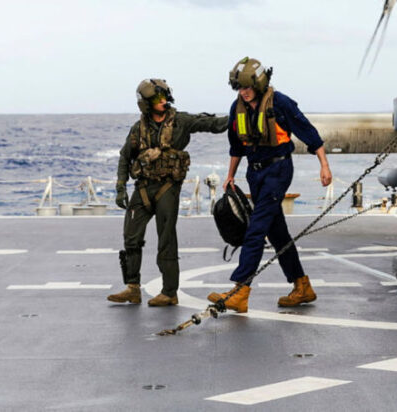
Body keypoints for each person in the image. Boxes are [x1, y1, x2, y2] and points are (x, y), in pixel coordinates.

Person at [208, 57, 332, 313]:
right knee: (277, 233)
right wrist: (231, 175)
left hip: (278, 170)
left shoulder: (281, 103)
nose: (243, 92)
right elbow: (236, 146)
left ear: (260, 83)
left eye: (247, 87)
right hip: (255, 173)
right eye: (239, 88)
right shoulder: (237, 107)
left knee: (255, 230)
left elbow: (309, 133)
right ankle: (302, 286)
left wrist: (324, 165)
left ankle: (240, 291)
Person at [107, 79, 228, 307]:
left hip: (167, 188)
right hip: (142, 188)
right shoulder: (138, 128)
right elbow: (125, 156)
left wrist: (239, 117)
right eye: (156, 99)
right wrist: (121, 186)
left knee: (166, 240)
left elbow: (212, 124)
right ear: (146, 103)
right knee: (131, 237)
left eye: (163, 97)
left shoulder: (181, 121)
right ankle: (132, 287)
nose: (162, 102)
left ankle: (169, 292)